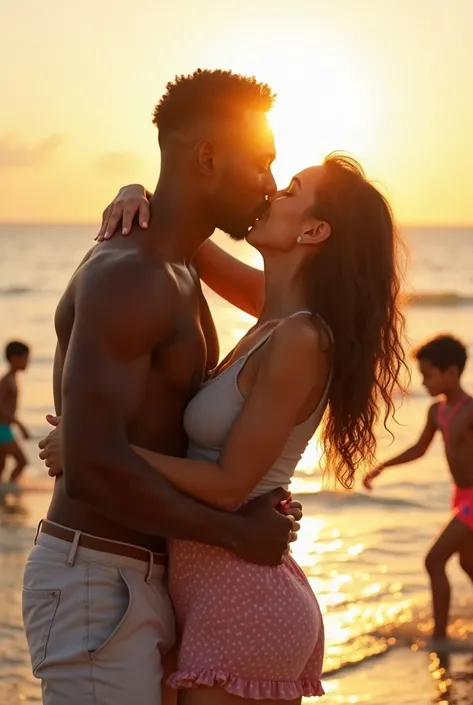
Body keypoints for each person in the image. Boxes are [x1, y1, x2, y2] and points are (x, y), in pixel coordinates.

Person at [42, 152, 406, 703]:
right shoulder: (274, 314)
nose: (272, 194)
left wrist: (96, 447)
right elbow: (186, 231)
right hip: (211, 598)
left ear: (314, 229)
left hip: (243, 604)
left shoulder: (301, 338)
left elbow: (230, 485)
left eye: (291, 189)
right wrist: (135, 190)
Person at [24, 69, 301, 705]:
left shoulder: (178, 267)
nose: (268, 183)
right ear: (207, 156)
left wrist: (257, 498)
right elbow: (91, 468)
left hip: (148, 580)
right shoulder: (133, 276)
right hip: (97, 581)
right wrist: (236, 533)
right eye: (260, 163)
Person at [364, 334, 473, 646]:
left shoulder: (471, 411)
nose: (423, 382)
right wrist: (383, 465)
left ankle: (439, 637)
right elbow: (419, 449)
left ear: (451, 373)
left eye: (428, 375)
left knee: (434, 560)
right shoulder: (436, 413)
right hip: (462, 498)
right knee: (468, 563)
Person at [0, 340, 30, 485]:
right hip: (2, 429)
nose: (27, 363)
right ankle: (11, 488)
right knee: (22, 461)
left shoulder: (12, 379)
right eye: (25, 358)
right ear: (14, 358)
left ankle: (4, 496)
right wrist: (20, 425)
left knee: (1, 466)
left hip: (4, 428)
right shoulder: (6, 380)